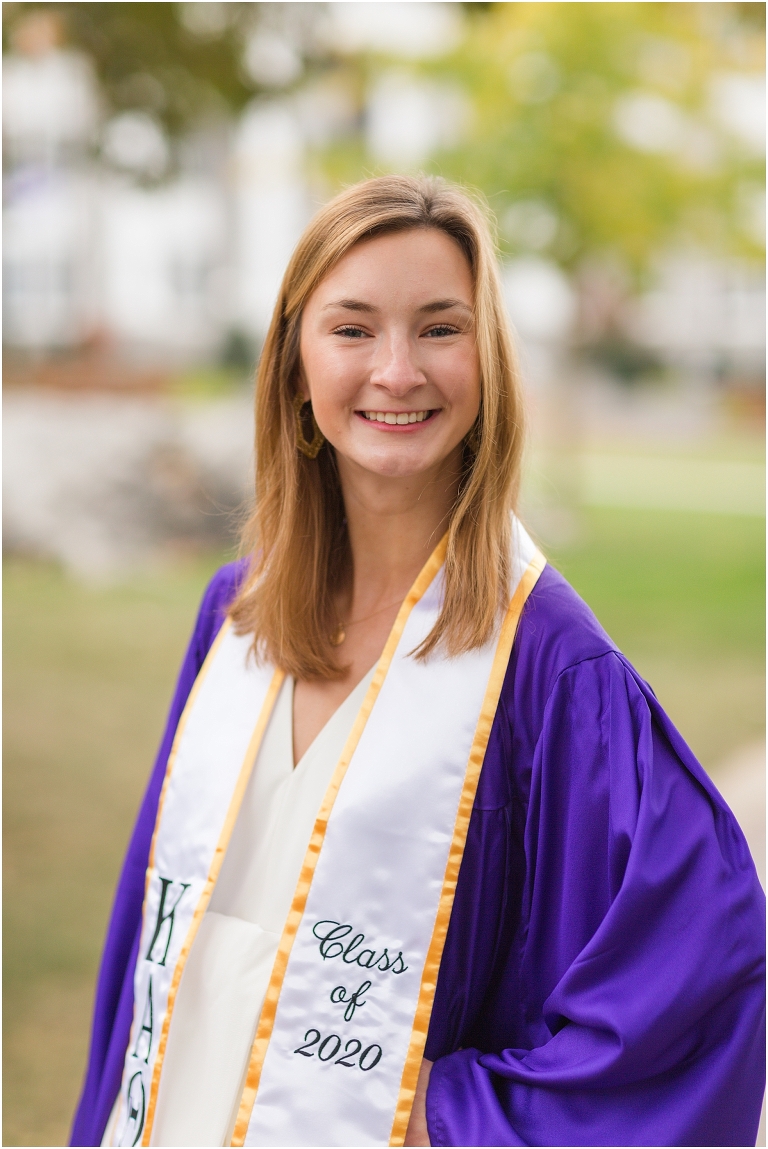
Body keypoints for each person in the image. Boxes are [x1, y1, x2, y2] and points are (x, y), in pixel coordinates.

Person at [71, 175, 764, 1148]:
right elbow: (148, 936)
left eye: (440, 328)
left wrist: (453, 1112)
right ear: (295, 370)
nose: (397, 372)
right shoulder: (232, 616)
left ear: (489, 363)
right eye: (352, 330)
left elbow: (698, 970)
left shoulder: (554, 670)